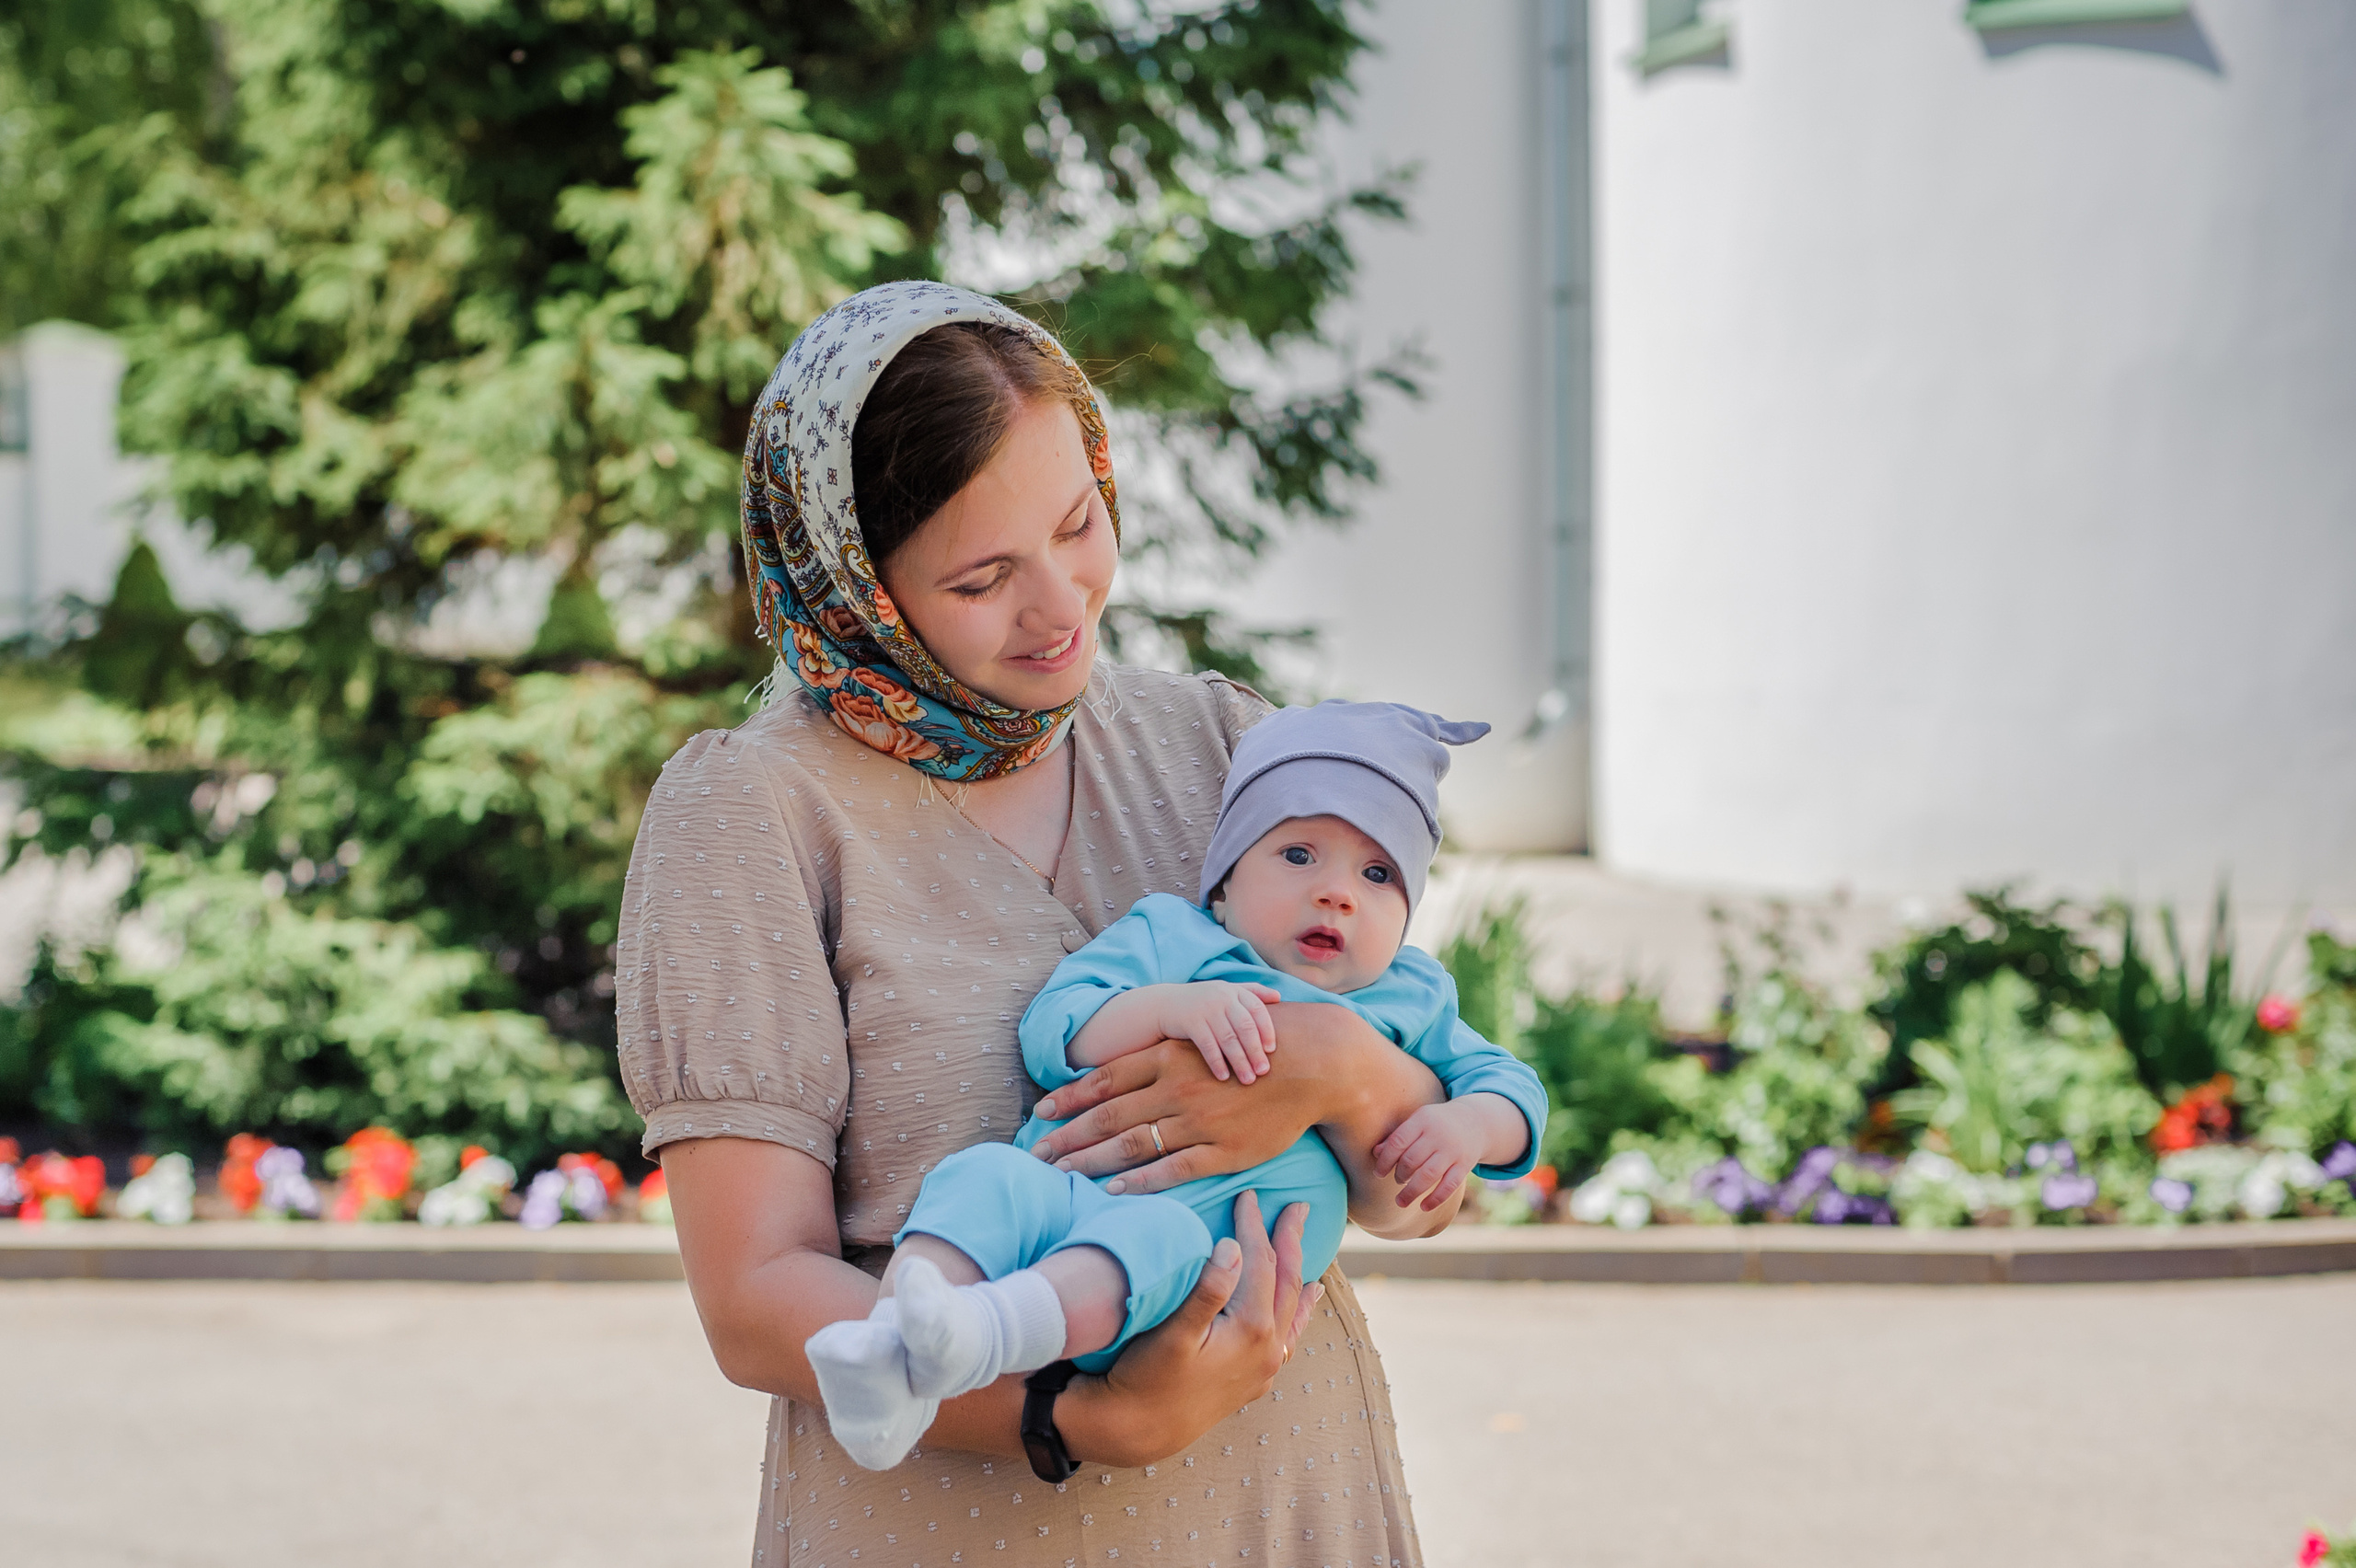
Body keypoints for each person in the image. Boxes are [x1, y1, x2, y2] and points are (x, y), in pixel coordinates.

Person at [618, 280, 1477, 1567]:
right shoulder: (753, 812)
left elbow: (1415, 1201)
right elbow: (753, 1300)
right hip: (952, 1523)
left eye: (1080, 524)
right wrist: (1076, 1419)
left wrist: (1343, 1071)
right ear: (859, 584)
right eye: (981, 578)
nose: (1061, 605)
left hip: (1285, 1500)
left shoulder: (1224, 751)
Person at [804, 700, 1546, 1469]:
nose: (1336, 892)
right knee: (978, 1177)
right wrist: (1169, 1007)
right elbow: (1056, 1027)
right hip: (1065, 1187)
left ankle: (979, 1334)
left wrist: (1468, 1128)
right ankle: (889, 1354)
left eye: (1378, 872)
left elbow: (1511, 1090)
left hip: (1203, 1270)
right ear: (1224, 882)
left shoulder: (1410, 995)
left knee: (1151, 1237)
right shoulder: (1175, 937)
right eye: (1298, 855)